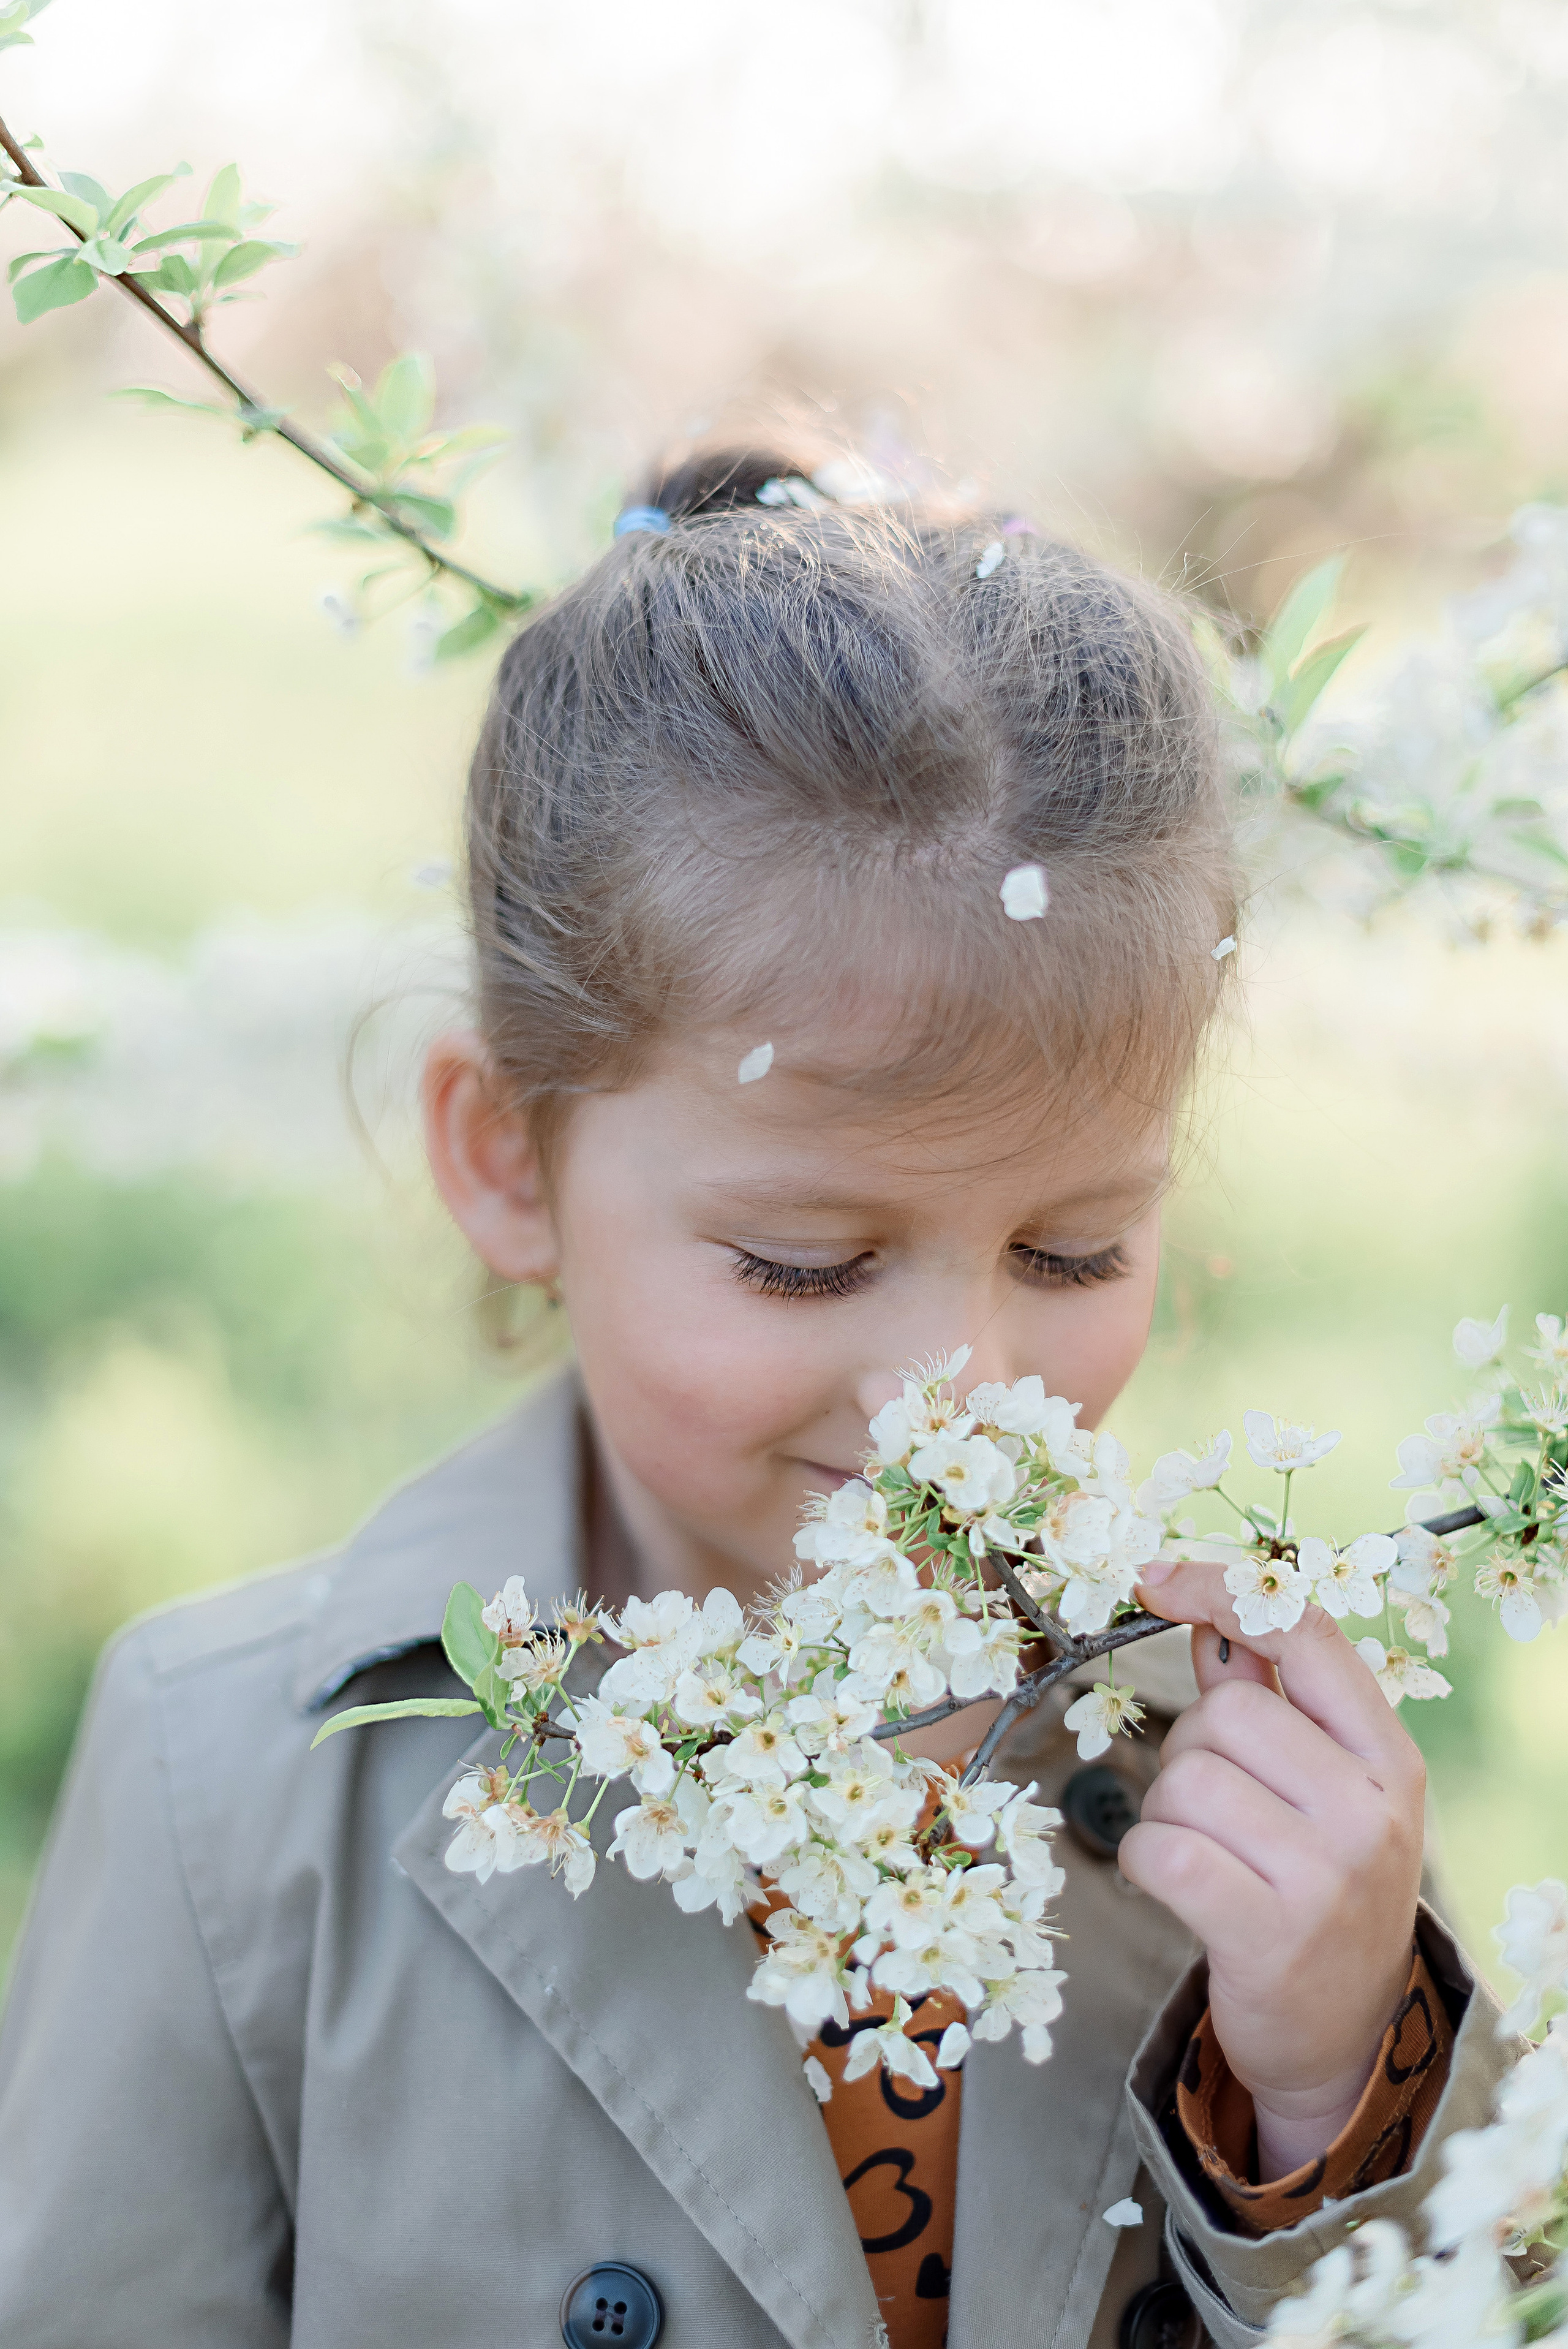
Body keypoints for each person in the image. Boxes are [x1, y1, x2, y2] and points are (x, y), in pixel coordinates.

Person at [0, 448, 1510, 2349]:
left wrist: (1330, 2082)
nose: (959, 1397)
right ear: (508, 1160)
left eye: (1069, 1253)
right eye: (806, 1262)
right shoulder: (235, 1786)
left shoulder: (1247, 1780)